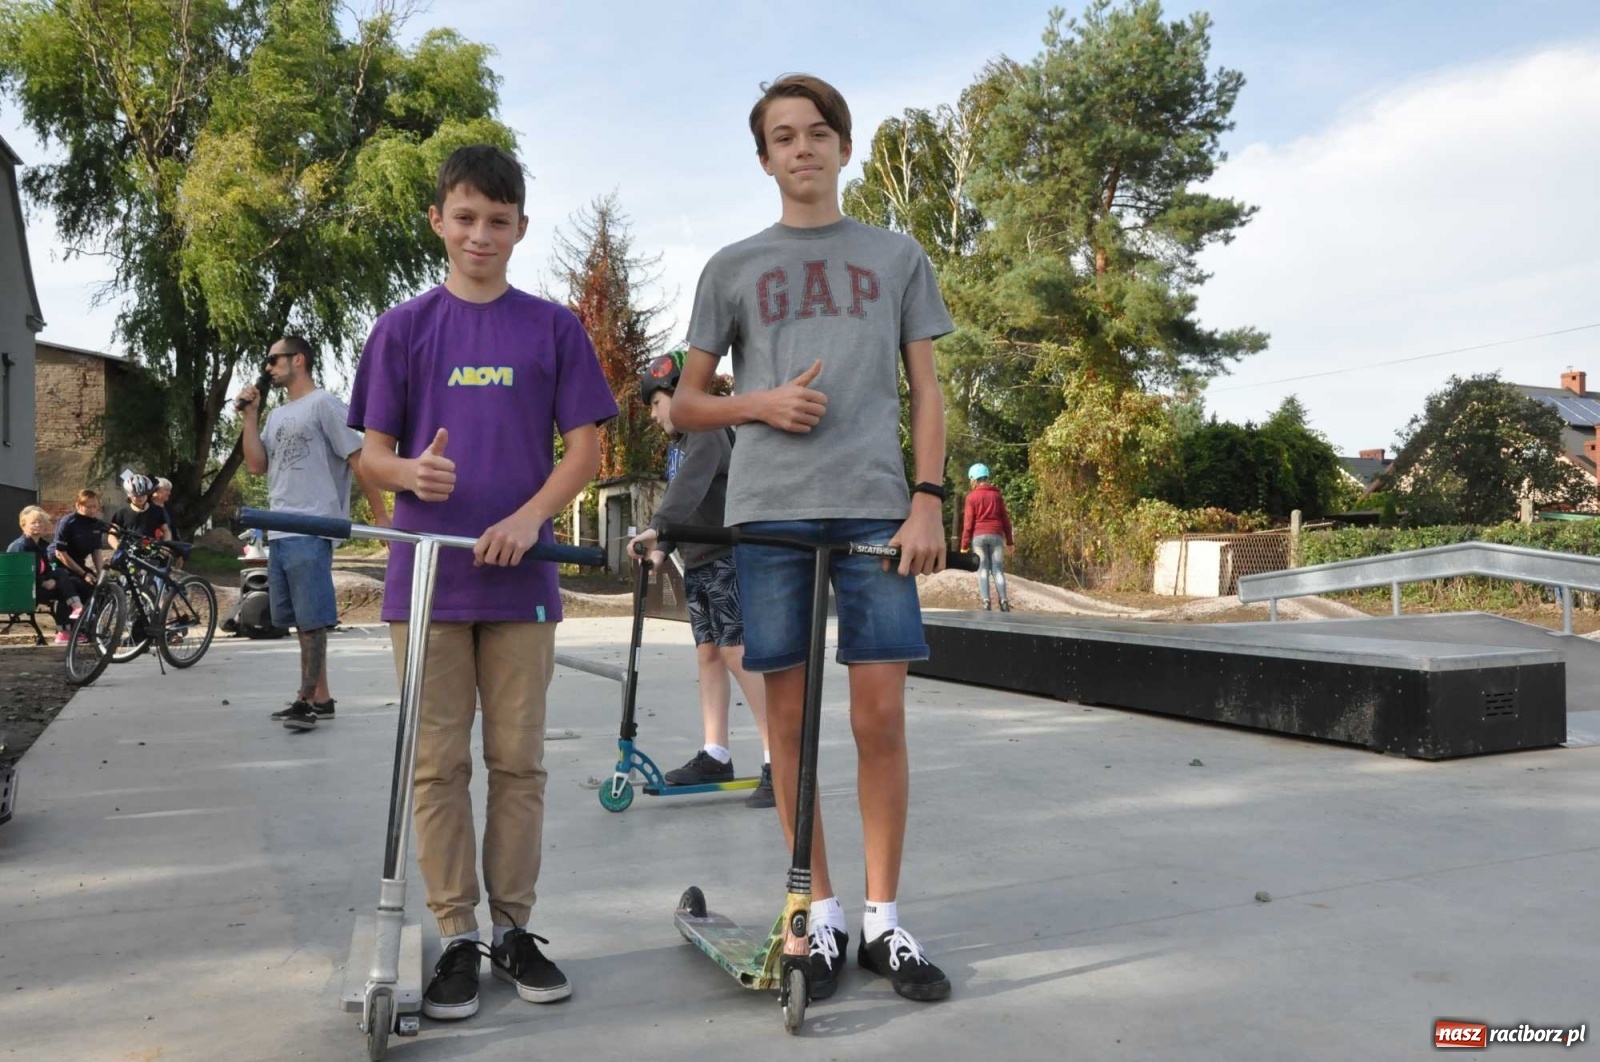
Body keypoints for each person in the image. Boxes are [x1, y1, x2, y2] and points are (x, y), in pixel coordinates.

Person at [671, 74, 955, 1003]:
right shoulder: (733, 266)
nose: (802, 148)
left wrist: (928, 498)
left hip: (878, 507)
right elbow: (683, 403)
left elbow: (927, 391)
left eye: (818, 132)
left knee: (879, 719)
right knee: (787, 725)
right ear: (764, 158)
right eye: (783, 137)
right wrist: (760, 403)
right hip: (770, 512)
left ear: (843, 147)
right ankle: (817, 915)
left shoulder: (899, 255)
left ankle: (884, 920)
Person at [347, 143, 618, 1022]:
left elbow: (585, 450)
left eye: (497, 221)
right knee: (436, 766)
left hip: (523, 581)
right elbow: (372, 455)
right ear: (438, 221)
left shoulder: (551, 329)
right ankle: (455, 933)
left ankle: (513, 930)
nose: (480, 235)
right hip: (426, 582)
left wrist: (532, 516)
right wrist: (405, 478)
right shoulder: (402, 329)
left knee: (518, 763)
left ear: (520, 229)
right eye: (464, 217)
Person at [627, 346, 773, 809]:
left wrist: (656, 529)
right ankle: (716, 753)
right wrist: (662, 550)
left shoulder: (705, 433)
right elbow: (684, 497)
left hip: (728, 556)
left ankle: (779, 758)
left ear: (679, 393)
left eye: (655, 402)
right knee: (709, 655)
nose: (654, 415)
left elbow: (688, 487)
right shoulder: (684, 445)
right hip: (700, 559)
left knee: (735, 652)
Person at [237, 335, 389, 732]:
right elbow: (256, 465)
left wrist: (380, 517)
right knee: (299, 621)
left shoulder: (325, 404)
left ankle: (304, 701)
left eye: (274, 359)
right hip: (281, 529)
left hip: (312, 524)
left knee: (313, 619)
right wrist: (249, 417)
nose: (267, 367)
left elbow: (361, 461)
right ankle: (321, 699)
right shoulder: (275, 417)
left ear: (298, 360)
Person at [8, 505, 77, 642]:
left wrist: (50, 579)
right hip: (23, 591)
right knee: (65, 587)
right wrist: (43, 582)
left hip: (36, 586)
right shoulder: (21, 546)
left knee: (64, 577)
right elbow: (23, 574)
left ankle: (66, 628)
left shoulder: (42, 545)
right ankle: (66, 626)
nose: (37, 525)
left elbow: (46, 569)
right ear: (23, 525)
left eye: (40, 522)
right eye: (33, 522)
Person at [960, 463, 1013, 612]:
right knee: (997, 569)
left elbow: (968, 523)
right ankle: (1003, 601)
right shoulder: (996, 495)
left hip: (979, 537)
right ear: (986, 477)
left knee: (982, 569)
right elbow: (1005, 519)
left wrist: (964, 546)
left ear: (974, 479)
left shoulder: (971, 497)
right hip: (996, 535)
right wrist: (1010, 541)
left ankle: (986, 602)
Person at [48, 489, 103, 613]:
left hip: (77, 562)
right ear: (78, 505)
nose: (93, 510)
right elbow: (60, 553)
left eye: (95, 507)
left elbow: (96, 550)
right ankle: (66, 627)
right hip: (57, 562)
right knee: (75, 583)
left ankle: (86, 623)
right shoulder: (67, 522)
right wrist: (83, 574)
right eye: (89, 507)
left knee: (95, 587)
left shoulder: (96, 524)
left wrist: (100, 574)